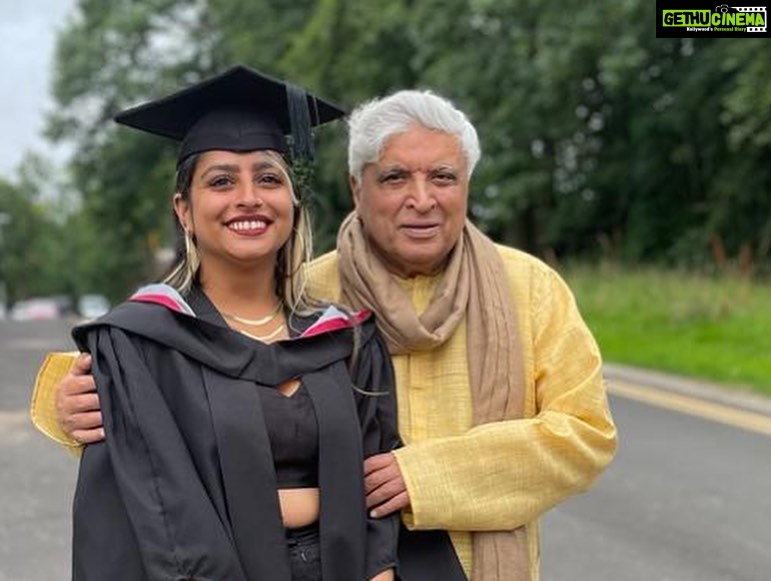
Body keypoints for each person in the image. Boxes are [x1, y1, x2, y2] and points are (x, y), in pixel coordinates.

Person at [31, 88, 617, 581]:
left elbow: (586, 435)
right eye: (394, 177)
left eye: (443, 176)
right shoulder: (312, 288)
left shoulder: (529, 288)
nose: (421, 198)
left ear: (466, 184)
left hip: (473, 558)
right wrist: (66, 404)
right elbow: (168, 381)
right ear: (356, 188)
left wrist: (427, 476)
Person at [38, 65, 400, 581]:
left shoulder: (348, 337)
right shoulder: (139, 345)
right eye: (222, 181)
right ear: (184, 210)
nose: (248, 197)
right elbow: (140, 513)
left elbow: (377, 476)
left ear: (293, 205)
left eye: (269, 178)